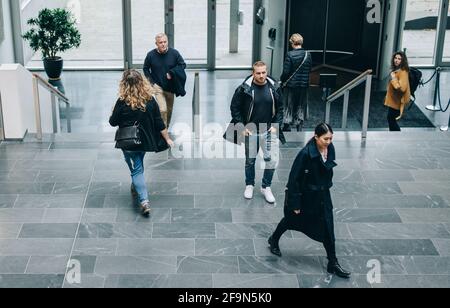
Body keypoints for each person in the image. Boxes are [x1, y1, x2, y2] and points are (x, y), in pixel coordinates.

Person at [268, 123, 351, 279]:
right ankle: (274, 239)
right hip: (306, 197)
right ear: (316, 137)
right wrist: (295, 204)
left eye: (331, 138)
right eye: (325, 138)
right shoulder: (305, 154)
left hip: (322, 197)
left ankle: (332, 262)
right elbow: (294, 180)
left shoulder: (329, 148)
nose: (328, 142)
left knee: (328, 227)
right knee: (291, 220)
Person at [109, 70, 174, 216]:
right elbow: (159, 123)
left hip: (127, 142)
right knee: (138, 164)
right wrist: (168, 138)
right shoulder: (150, 100)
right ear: (141, 82)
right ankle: (135, 185)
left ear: (124, 84)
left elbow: (113, 122)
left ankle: (144, 201)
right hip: (144, 142)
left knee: (136, 170)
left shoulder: (122, 101)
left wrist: (113, 111)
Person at [224, 61, 286, 204]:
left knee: (271, 161)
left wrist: (276, 125)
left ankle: (266, 187)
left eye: (264, 72)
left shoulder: (274, 87)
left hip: (269, 130)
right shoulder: (244, 88)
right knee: (250, 161)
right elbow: (235, 108)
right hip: (251, 131)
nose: (261, 75)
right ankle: (249, 185)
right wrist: (242, 126)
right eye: (258, 73)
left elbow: (281, 107)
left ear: (266, 71)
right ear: (253, 73)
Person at [143, 33, 187, 128]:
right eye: (160, 42)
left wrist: (172, 72)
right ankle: (163, 131)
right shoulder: (150, 55)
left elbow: (183, 65)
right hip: (157, 86)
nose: (163, 44)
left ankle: (166, 126)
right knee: (163, 109)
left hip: (170, 86)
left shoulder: (174, 53)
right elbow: (145, 68)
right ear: (156, 44)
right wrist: (152, 83)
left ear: (167, 42)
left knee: (169, 110)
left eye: (165, 42)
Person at [280, 34, 312, 132]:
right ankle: (299, 125)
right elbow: (309, 69)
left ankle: (287, 125)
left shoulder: (290, 54)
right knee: (300, 105)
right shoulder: (308, 54)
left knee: (288, 105)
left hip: (291, 86)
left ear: (292, 43)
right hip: (303, 85)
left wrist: (282, 80)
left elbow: (286, 72)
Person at [385, 51, 411, 132]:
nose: (396, 60)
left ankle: (396, 134)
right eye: (395, 58)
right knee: (390, 118)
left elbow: (402, 88)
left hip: (397, 101)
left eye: (399, 59)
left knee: (391, 118)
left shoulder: (403, 72)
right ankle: (393, 134)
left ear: (403, 61)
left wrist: (393, 78)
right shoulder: (397, 69)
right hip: (394, 99)